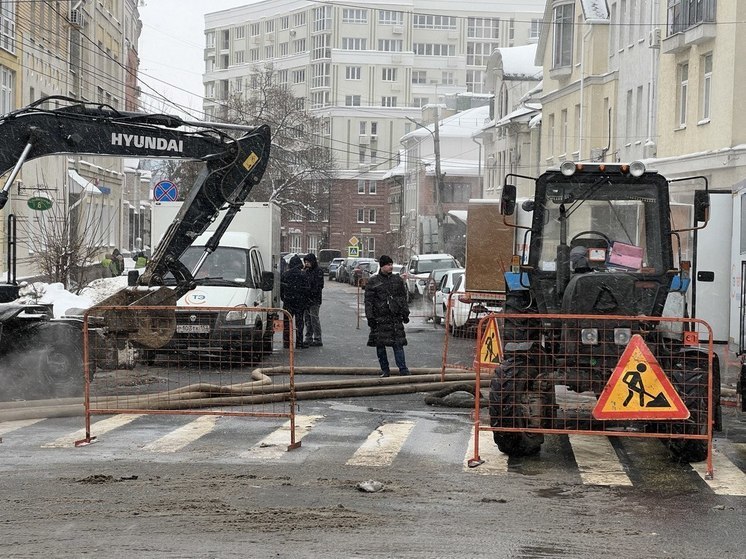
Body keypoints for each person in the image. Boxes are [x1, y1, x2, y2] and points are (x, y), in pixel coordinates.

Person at [364, 254, 411, 378]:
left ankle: (403, 370)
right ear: (382, 266)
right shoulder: (373, 281)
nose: (390, 267)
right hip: (379, 319)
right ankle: (385, 370)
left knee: (398, 345)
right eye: (388, 265)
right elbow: (368, 301)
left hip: (394, 318)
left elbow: (402, 298)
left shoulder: (397, 280)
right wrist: (370, 318)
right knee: (380, 346)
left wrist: (405, 313)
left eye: (391, 264)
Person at [280, 254, 311, 349]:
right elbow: (307, 289)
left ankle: (286, 342)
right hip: (300, 303)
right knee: (299, 323)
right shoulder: (303, 274)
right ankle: (299, 342)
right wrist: (305, 300)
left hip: (288, 302)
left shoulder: (285, 275)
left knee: (286, 323)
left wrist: (284, 298)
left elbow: (281, 289)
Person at [303, 252, 324, 346]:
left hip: (314, 299)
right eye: (305, 262)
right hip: (307, 299)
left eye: (308, 262)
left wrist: (310, 291)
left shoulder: (318, 271)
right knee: (307, 319)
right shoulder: (306, 271)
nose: (306, 264)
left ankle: (317, 338)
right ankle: (308, 337)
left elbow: (319, 286)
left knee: (314, 319)